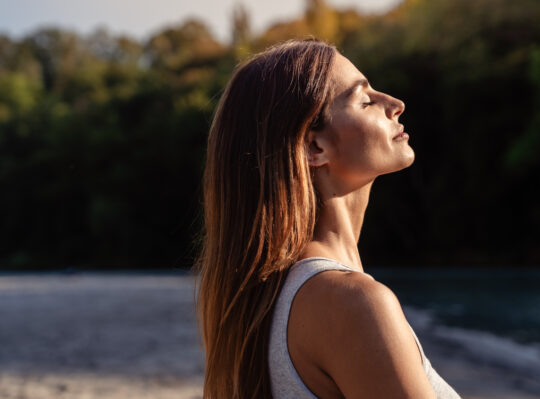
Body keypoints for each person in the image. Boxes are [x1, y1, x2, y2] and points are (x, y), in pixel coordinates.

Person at [196, 38, 461, 399]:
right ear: (313, 148)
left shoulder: (262, 305)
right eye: (365, 99)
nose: (395, 105)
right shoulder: (353, 304)